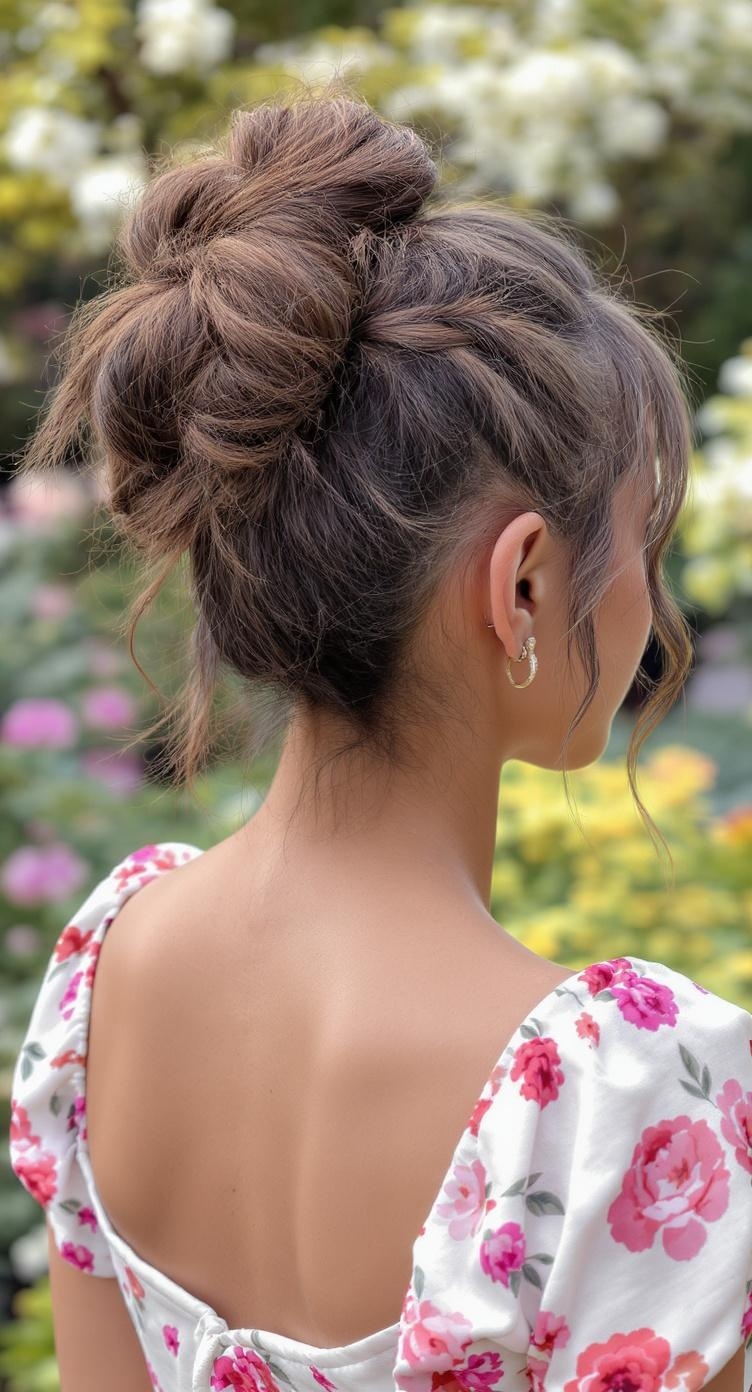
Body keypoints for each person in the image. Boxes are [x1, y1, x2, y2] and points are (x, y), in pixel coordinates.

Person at [7, 86, 752, 1392]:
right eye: (640, 536)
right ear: (521, 586)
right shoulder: (630, 1103)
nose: (649, 598)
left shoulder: (111, 978)